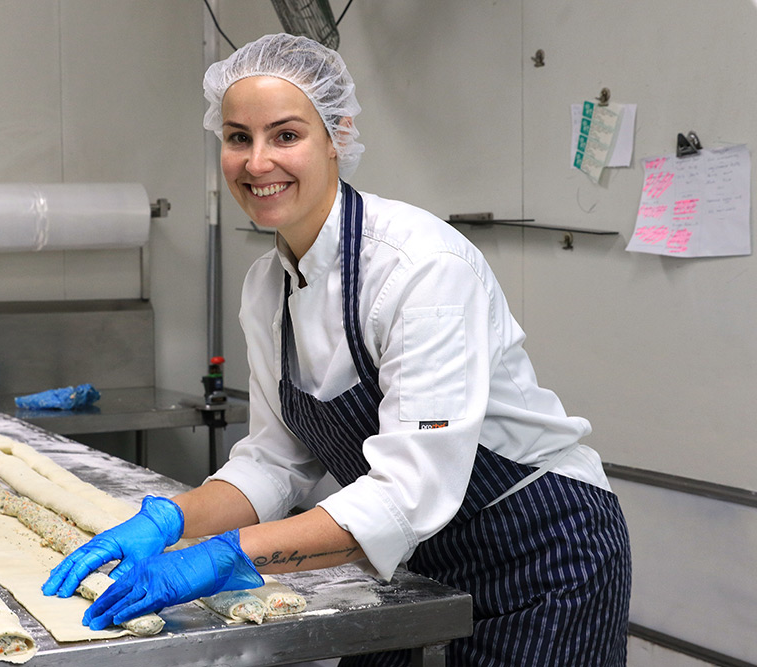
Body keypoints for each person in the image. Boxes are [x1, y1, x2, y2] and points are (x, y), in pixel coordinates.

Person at [43, 32, 632, 666]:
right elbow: (274, 462)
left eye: (286, 135)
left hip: (539, 547)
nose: (258, 161)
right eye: (238, 137)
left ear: (337, 136)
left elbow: (408, 491)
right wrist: (171, 521)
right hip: (407, 553)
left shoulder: (420, 268)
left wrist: (229, 554)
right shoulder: (265, 288)